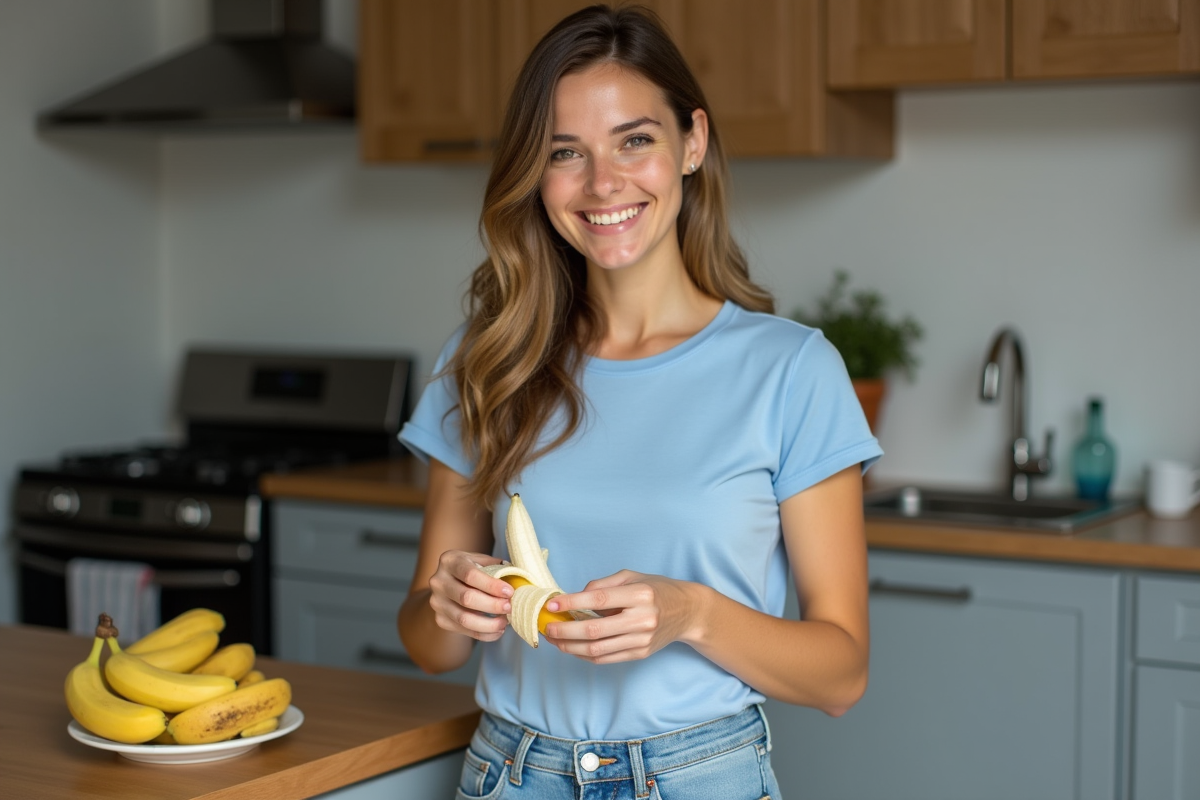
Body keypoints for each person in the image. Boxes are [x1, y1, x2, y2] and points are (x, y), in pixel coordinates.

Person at [397, 5, 882, 797]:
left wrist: (694, 613)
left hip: (700, 776)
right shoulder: (486, 362)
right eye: (565, 152)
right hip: (512, 776)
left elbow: (842, 675)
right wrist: (445, 605)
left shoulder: (792, 370)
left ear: (691, 143)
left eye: (634, 140)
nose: (603, 183)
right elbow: (430, 647)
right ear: (536, 173)